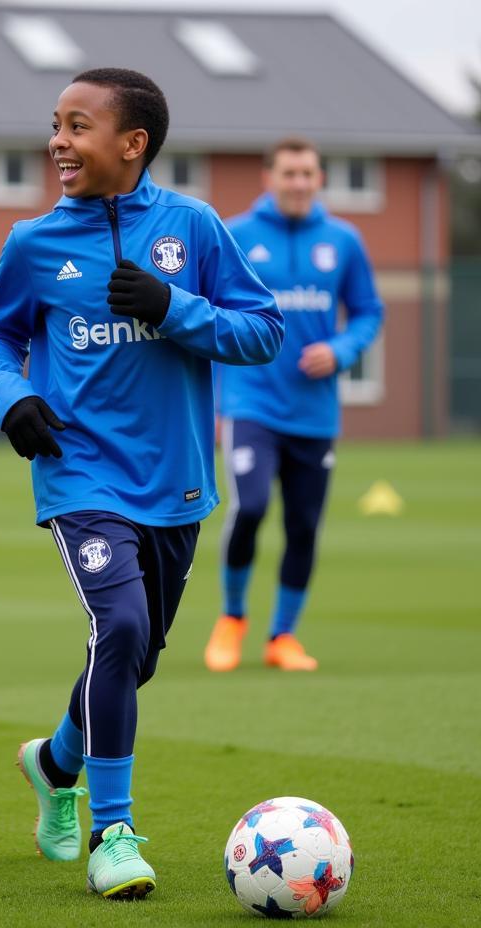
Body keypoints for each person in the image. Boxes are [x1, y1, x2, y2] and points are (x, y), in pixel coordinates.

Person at [0, 68, 284, 900]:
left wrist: (175, 306)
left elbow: (262, 334)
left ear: (132, 143)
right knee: (120, 623)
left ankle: (54, 761)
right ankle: (114, 830)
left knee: (135, 657)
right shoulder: (33, 243)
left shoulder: (194, 226)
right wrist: (14, 397)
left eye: (76, 127)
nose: (57, 143)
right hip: (80, 474)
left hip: (176, 482)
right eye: (56, 125)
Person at [206, 137, 383, 673]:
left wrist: (342, 349)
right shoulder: (235, 236)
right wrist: (214, 404)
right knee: (252, 507)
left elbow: (370, 312)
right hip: (250, 403)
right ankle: (232, 620)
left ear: (320, 179)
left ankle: (282, 636)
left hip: (315, 413)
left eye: (308, 173)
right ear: (269, 178)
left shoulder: (343, 241)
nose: (299, 182)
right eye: (290, 173)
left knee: (304, 525)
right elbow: (205, 320)